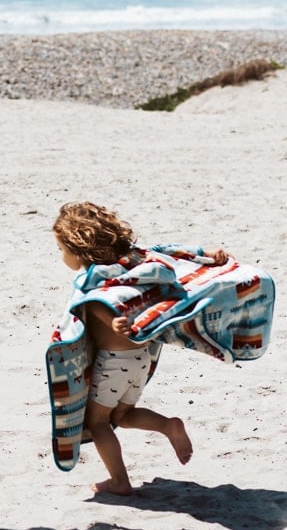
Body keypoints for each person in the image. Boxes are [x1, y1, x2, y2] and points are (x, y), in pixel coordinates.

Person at [52, 201, 227, 497]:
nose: (61, 255)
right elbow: (166, 250)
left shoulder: (95, 283)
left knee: (98, 423)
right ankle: (168, 425)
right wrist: (204, 255)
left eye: (61, 249)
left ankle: (119, 481)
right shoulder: (133, 262)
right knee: (123, 416)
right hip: (140, 359)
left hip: (113, 362)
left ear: (78, 248)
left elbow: (95, 306)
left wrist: (113, 323)